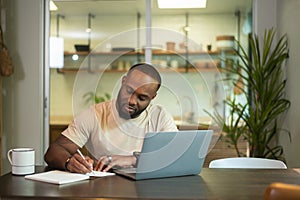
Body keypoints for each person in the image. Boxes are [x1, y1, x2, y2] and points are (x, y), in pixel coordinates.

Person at [44, 63, 178, 174]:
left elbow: (176, 156)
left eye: (141, 98)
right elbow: (53, 151)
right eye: (129, 91)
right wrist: (69, 162)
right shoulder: (94, 115)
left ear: (152, 97)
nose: (131, 101)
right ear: (123, 81)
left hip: (147, 190)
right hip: (103, 188)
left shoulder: (160, 116)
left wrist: (132, 160)